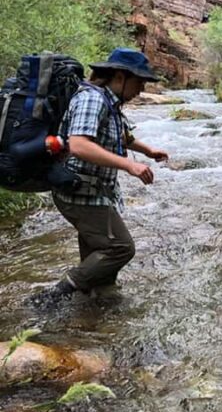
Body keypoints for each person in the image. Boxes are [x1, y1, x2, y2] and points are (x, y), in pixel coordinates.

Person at [29, 48, 169, 307]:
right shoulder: (92, 99)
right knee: (120, 248)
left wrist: (147, 150)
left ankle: (96, 306)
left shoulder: (111, 102)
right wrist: (129, 165)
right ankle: (52, 297)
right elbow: (80, 144)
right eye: (139, 82)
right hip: (78, 191)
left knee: (99, 256)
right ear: (119, 77)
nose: (141, 89)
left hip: (91, 190)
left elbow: (121, 136)